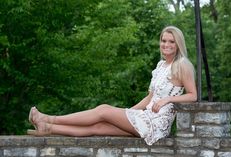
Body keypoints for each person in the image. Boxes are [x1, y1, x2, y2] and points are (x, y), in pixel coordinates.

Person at [27, 26, 197, 145]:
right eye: (163, 40)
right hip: (145, 117)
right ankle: (48, 128)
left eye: (171, 42)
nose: (166, 45)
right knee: (98, 128)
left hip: (157, 124)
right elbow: (150, 97)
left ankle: (48, 118)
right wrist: (129, 111)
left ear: (178, 44)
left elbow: (192, 95)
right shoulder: (161, 66)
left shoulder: (182, 64)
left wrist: (167, 100)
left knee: (102, 110)